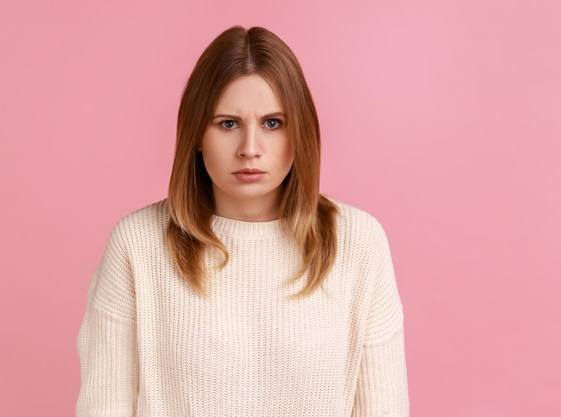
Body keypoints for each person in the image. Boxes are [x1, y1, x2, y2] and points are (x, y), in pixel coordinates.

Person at [76, 26, 409, 417]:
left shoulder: (359, 244)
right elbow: (105, 406)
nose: (250, 149)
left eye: (272, 123)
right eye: (228, 123)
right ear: (197, 134)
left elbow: (383, 409)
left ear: (299, 132)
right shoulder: (137, 245)